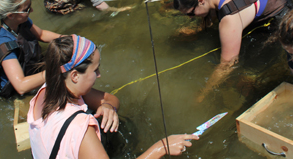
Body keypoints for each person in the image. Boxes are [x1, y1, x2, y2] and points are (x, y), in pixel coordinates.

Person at [28, 35, 198, 159]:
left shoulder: (49, 88)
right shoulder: (79, 127)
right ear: (74, 76)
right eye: (95, 70)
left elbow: (111, 98)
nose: (99, 75)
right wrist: (161, 147)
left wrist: (108, 107)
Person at [173, 0, 293, 101]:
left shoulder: (229, 20)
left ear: (201, 1)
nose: (191, 18)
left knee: (250, 66)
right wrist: (200, 28)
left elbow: (228, 65)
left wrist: (203, 93)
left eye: (190, 14)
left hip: (281, 19)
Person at [0, 0, 61, 97]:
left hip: (34, 72)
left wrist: (70, 39)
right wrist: (58, 70)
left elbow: (41, 34)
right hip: (18, 93)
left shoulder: (21, 21)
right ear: (10, 15)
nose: (32, 10)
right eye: (26, 9)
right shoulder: (3, 44)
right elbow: (21, 86)